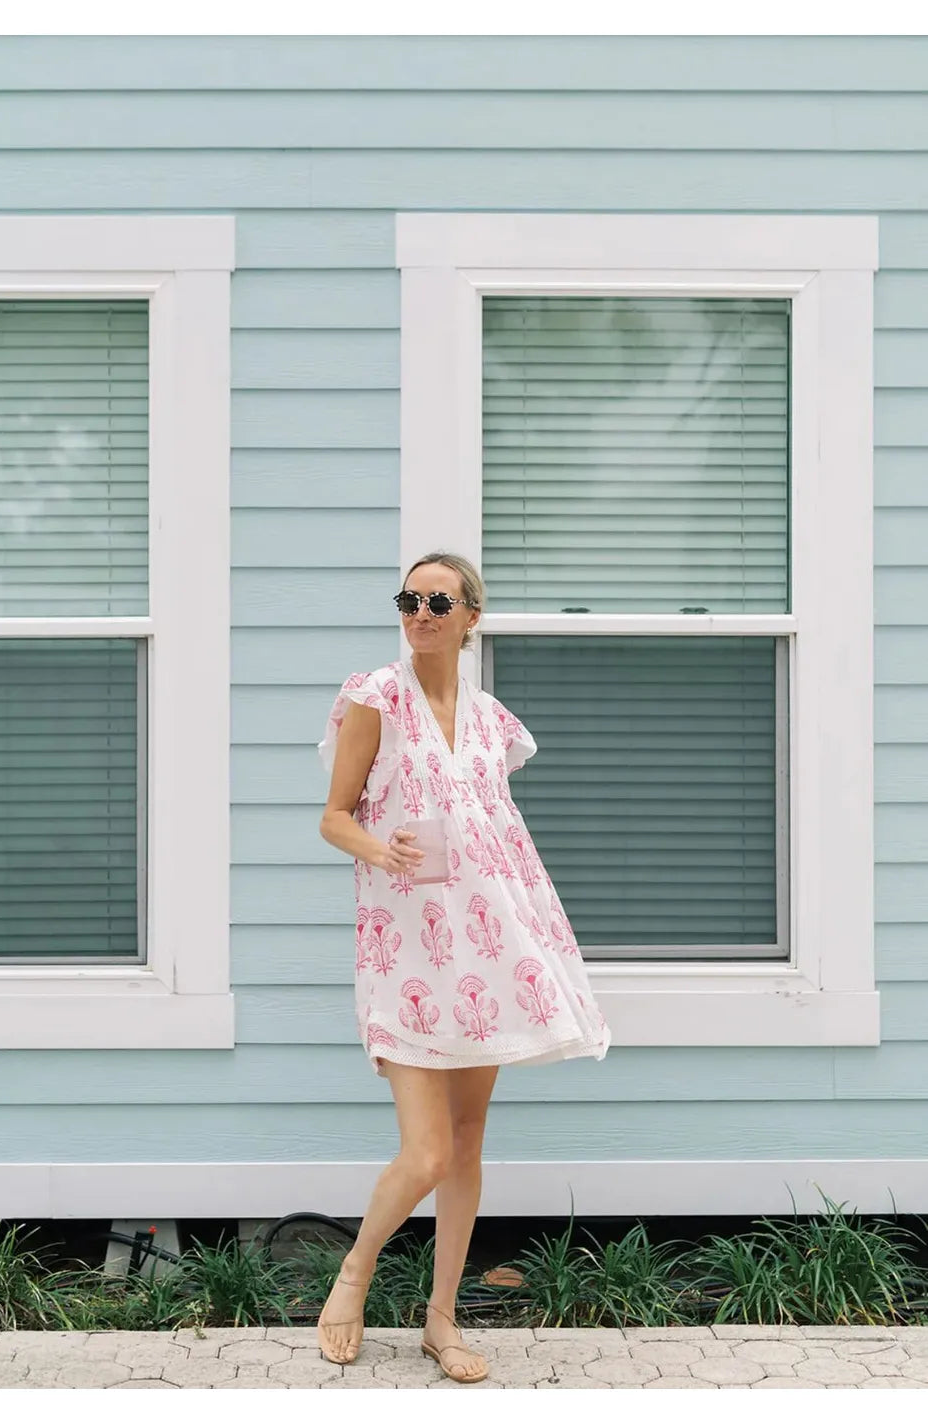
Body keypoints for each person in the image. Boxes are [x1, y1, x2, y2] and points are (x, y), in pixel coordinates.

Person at [315, 551, 611, 1382]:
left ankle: (441, 1318)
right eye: (409, 598)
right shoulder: (376, 697)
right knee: (427, 1152)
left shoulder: (490, 720)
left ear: (471, 616)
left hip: (483, 952)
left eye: (438, 601)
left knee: (469, 1141)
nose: (420, 612)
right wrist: (382, 847)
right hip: (408, 952)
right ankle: (355, 1271)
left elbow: (497, 832)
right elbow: (334, 816)